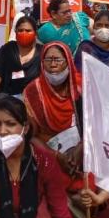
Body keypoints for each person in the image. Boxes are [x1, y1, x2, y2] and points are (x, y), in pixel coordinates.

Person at [22, 42, 82, 186]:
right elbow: (31, 136)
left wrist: (81, 148)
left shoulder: (81, 87)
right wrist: (57, 157)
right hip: (48, 150)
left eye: (58, 60)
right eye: (48, 60)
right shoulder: (32, 92)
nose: (53, 64)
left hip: (81, 149)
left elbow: (94, 126)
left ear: (68, 62)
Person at [0, 16, 42, 105]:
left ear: (35, 34)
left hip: (34, 104)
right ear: (15, 33)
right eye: (20, 30)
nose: (24, 33)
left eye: (28, 31)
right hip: (7, 104)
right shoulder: (7, 50)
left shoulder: (42, 52)